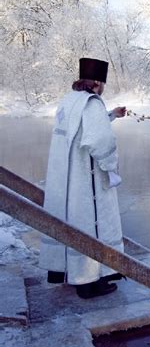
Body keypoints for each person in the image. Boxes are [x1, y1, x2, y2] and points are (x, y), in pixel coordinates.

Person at [39, 57, 127, 299]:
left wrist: (111, 115)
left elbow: (83, 126)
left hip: (67, 180)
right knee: (91, 225)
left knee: (72, 222)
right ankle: (88, 282)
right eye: (103, 84)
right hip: (86, 181)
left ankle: (72, 273)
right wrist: (112, 167)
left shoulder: (70, 101)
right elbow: (100, 140)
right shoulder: (91, 103)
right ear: (97, 82)